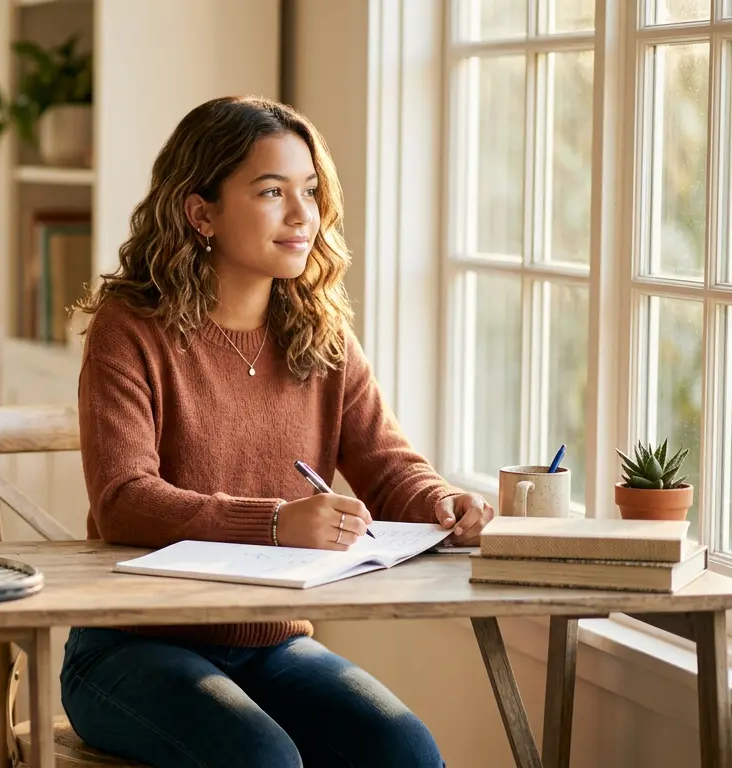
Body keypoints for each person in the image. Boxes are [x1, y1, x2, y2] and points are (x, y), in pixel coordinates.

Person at [64, 95, 495, 768]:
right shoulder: (129, 329)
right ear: (201, 213)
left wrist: (445, 504)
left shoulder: (322, 332)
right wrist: (274, 522)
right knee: (262, 758)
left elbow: (387, 465)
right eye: (272, 192)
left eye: (311, 191)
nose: (303, 216)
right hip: (131, 646)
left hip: (272, 646)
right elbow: (123, 499)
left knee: (405, 750)